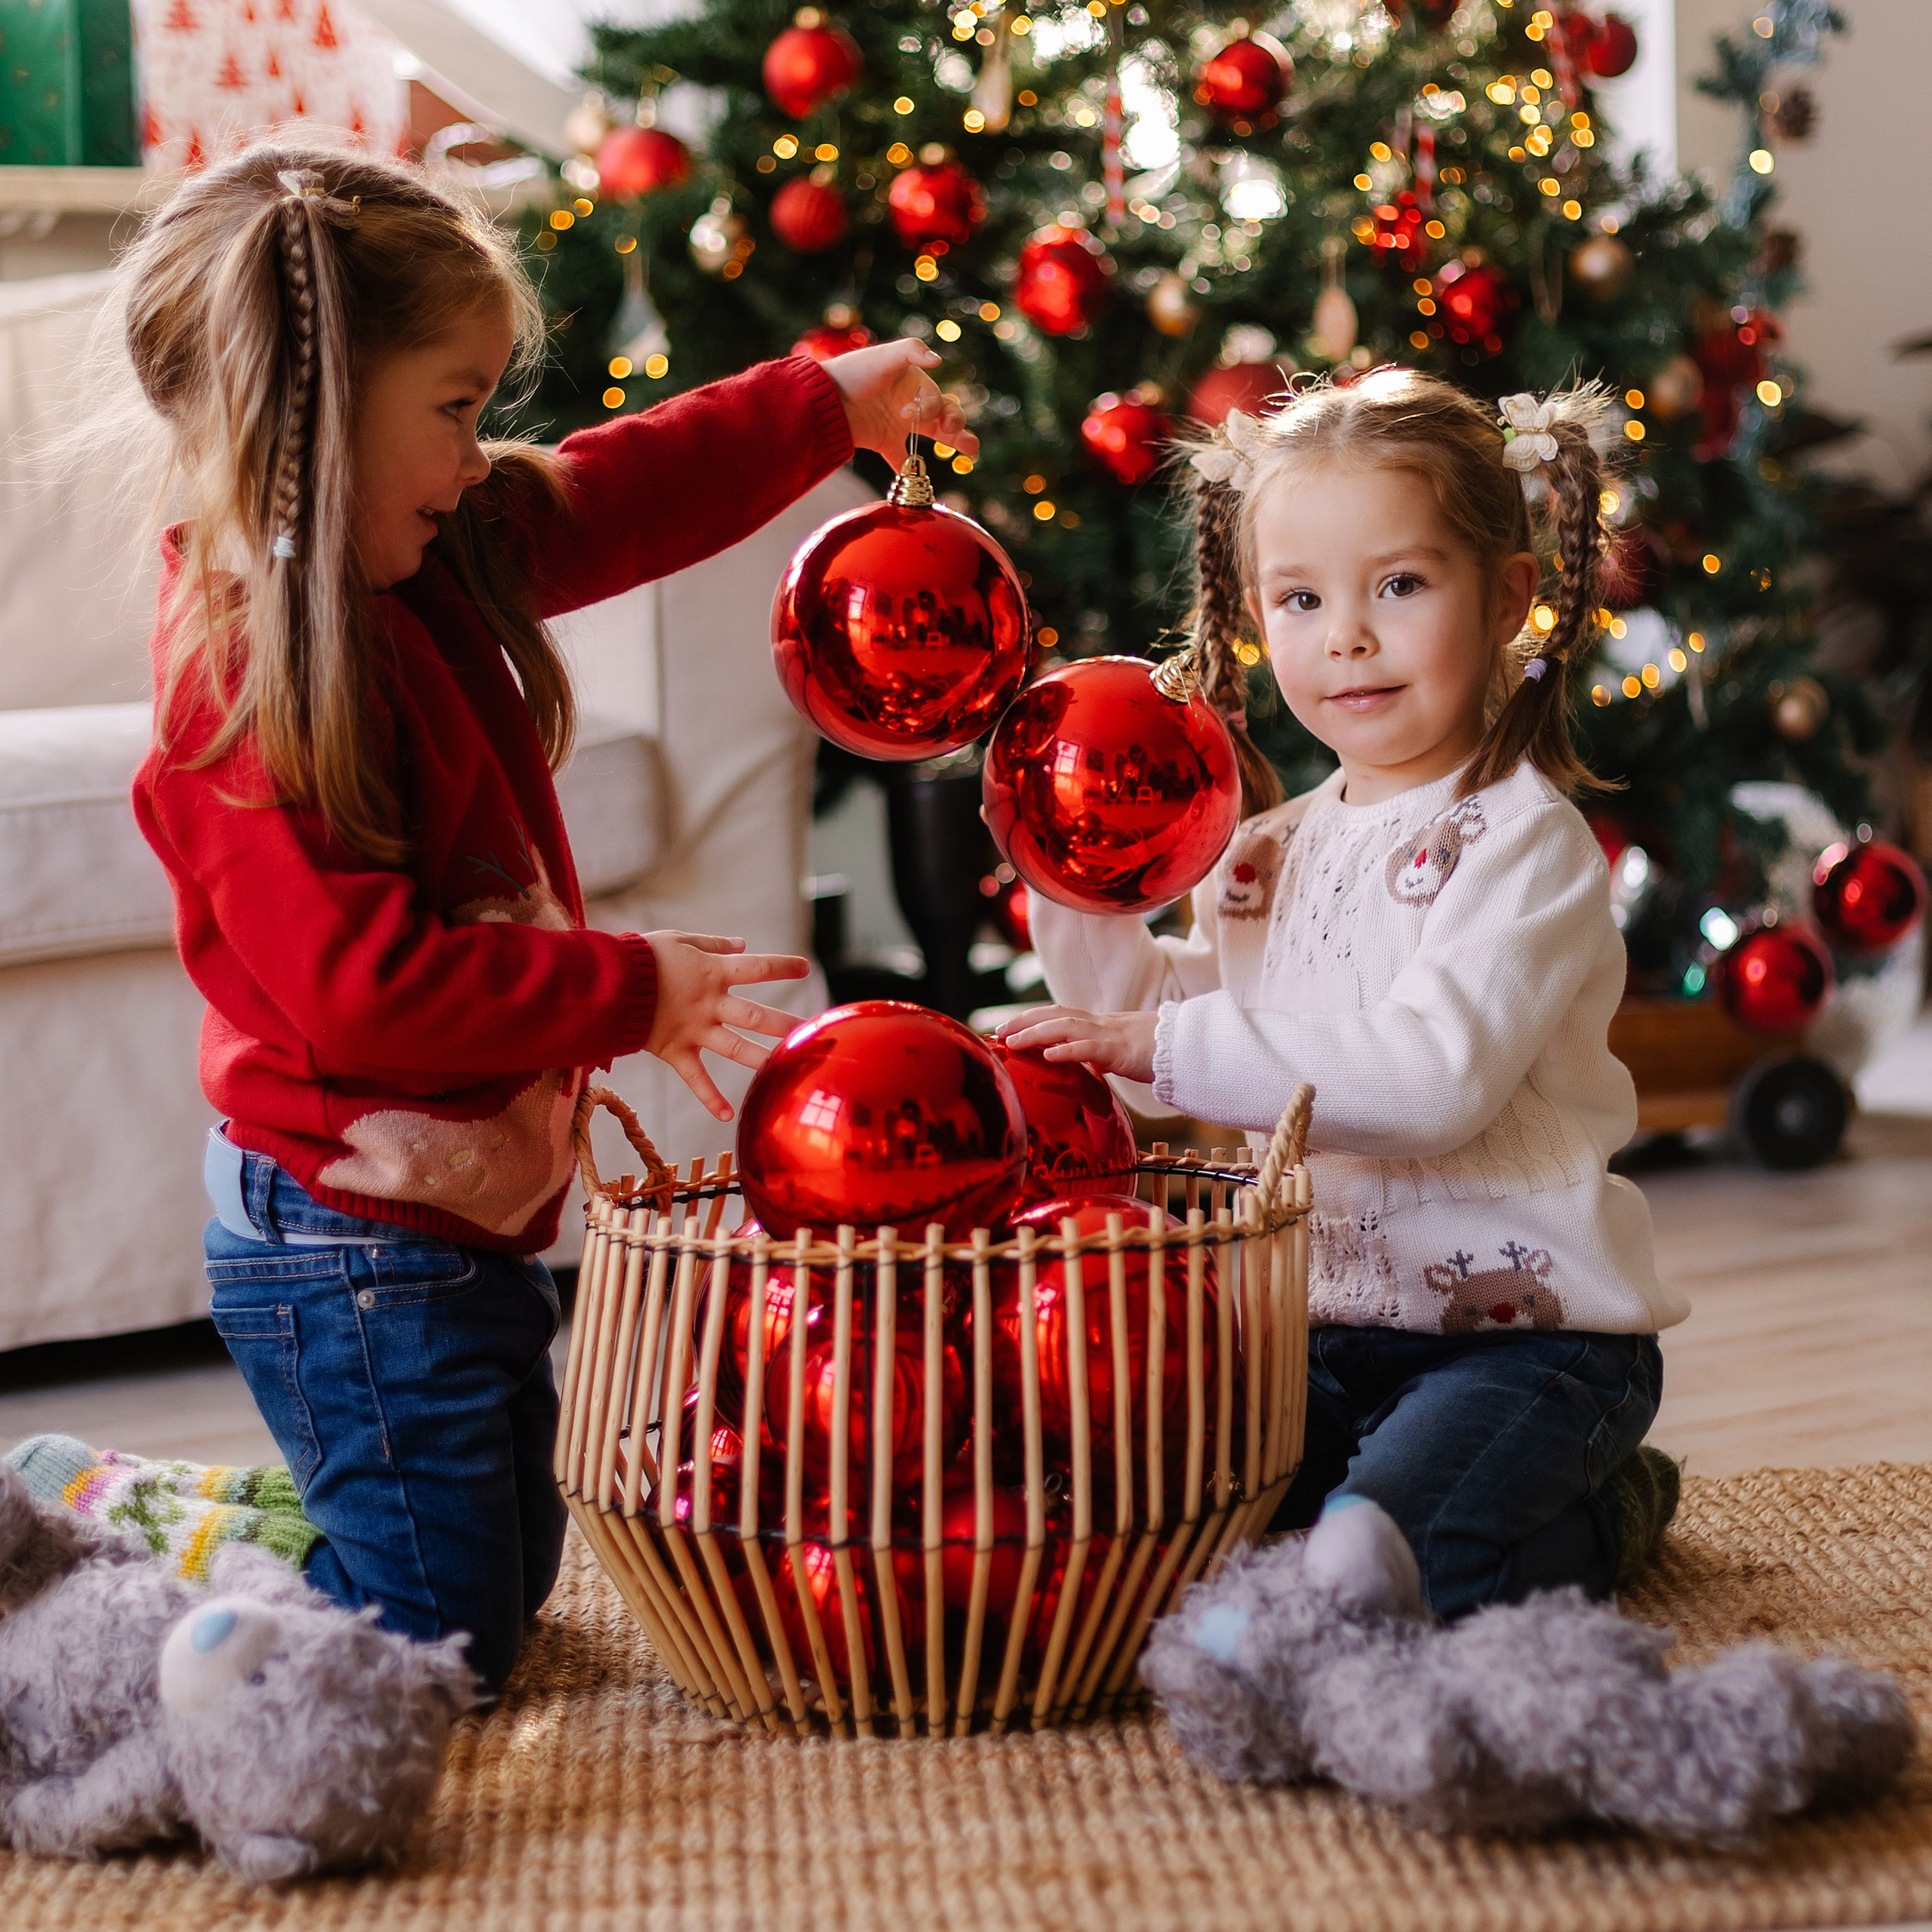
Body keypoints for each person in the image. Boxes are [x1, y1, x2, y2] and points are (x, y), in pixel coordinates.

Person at [112, 140, 975, 1694]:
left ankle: (228, 1528)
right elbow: (367, 989)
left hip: (458, 1224)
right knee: (434, 1648)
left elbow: (609, 491)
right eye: (452, 407)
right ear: (303, 415)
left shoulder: (412, 549)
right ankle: (117, 1538)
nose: (474, 452)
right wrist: (631, 988)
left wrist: (820, 404)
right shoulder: (245, 680)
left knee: (496, 1598)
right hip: (344, 1244)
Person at [1000, 369, 1685, 1617]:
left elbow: (1431, 1083)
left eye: (1401, 586)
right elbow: (1180, 1038)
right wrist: (1075, 879)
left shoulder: (1521, 844)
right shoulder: (1264, 846)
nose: (1347, 637)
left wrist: (1160, 1039)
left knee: (1380, 1556)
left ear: (1511, 596)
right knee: (1177, 1536)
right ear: (1258, 613)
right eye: (1302, 599)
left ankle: (1612, 1507)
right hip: (1310, 1336)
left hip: (1528, 1344)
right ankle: (1402, 1518)